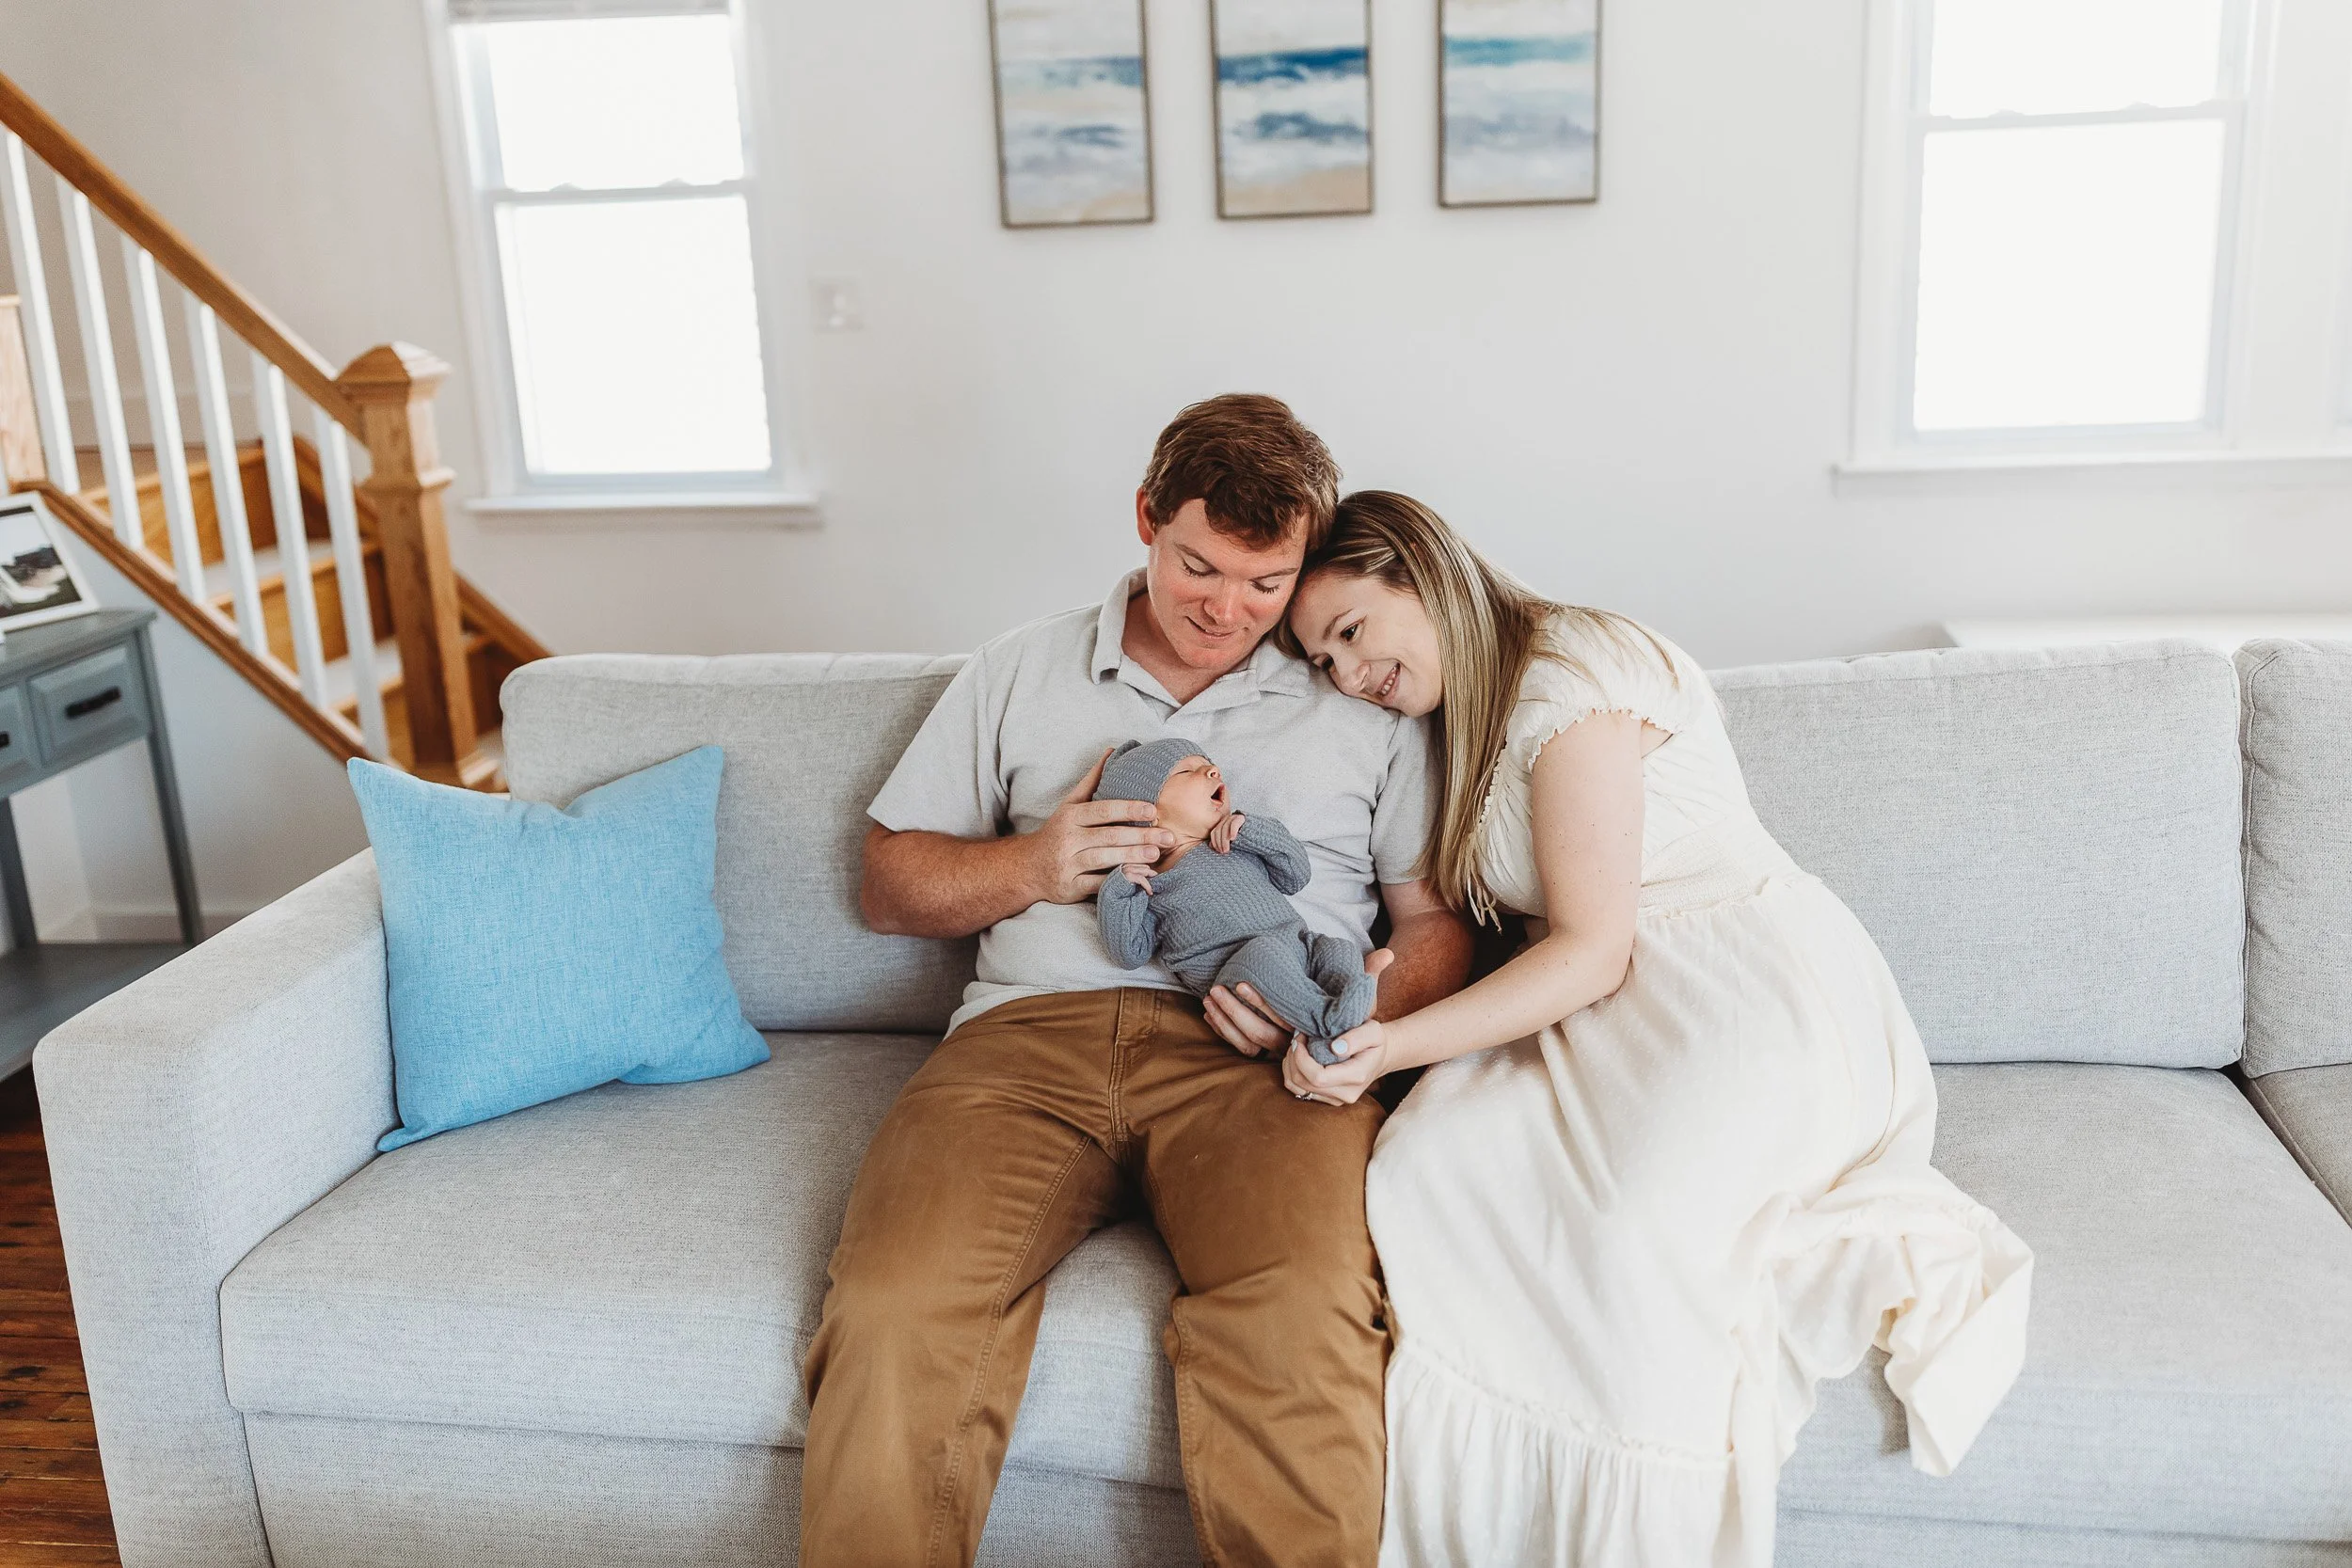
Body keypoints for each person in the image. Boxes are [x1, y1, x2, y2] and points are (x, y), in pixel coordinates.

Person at [1281, 492, 2033, 1568]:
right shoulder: (1454, 721)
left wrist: (1393, 1050)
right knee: (1428, 1166)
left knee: (1634, 1240)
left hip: (1736, 985)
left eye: (1350, 631)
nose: (1347, 677)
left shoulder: (1567, 673)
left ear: (1419, 570)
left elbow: (1591, 944)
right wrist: (1360, 999)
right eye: (1320, 661)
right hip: (1599, 1010)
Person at [801, 401, 1474, 1568]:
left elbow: (1430, 926)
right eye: (1196, 566)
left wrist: (1354, 1022)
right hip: (1023, 1047)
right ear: (1146, 522)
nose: (1225, 609)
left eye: (1266, 582)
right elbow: (887, 884)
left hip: (1263, 1069)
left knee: (1303, 1314)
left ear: (1307, 562)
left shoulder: (1359, 689)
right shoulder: (1020, 667)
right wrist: (1035, 863)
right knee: (895, 1302)